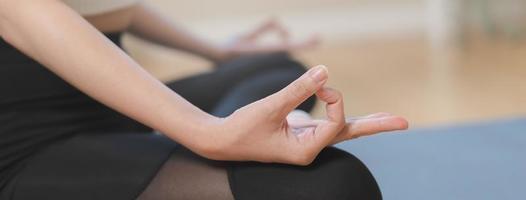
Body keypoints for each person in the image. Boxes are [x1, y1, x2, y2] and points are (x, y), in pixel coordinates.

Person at [0, 0, 409, 199]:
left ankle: (232, 136)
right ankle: (225, 139)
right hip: (27, 142)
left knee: (274, 68)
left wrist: (216, 51)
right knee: (331, 185)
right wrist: (208, 134)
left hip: (104, 105)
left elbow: (105, 7)